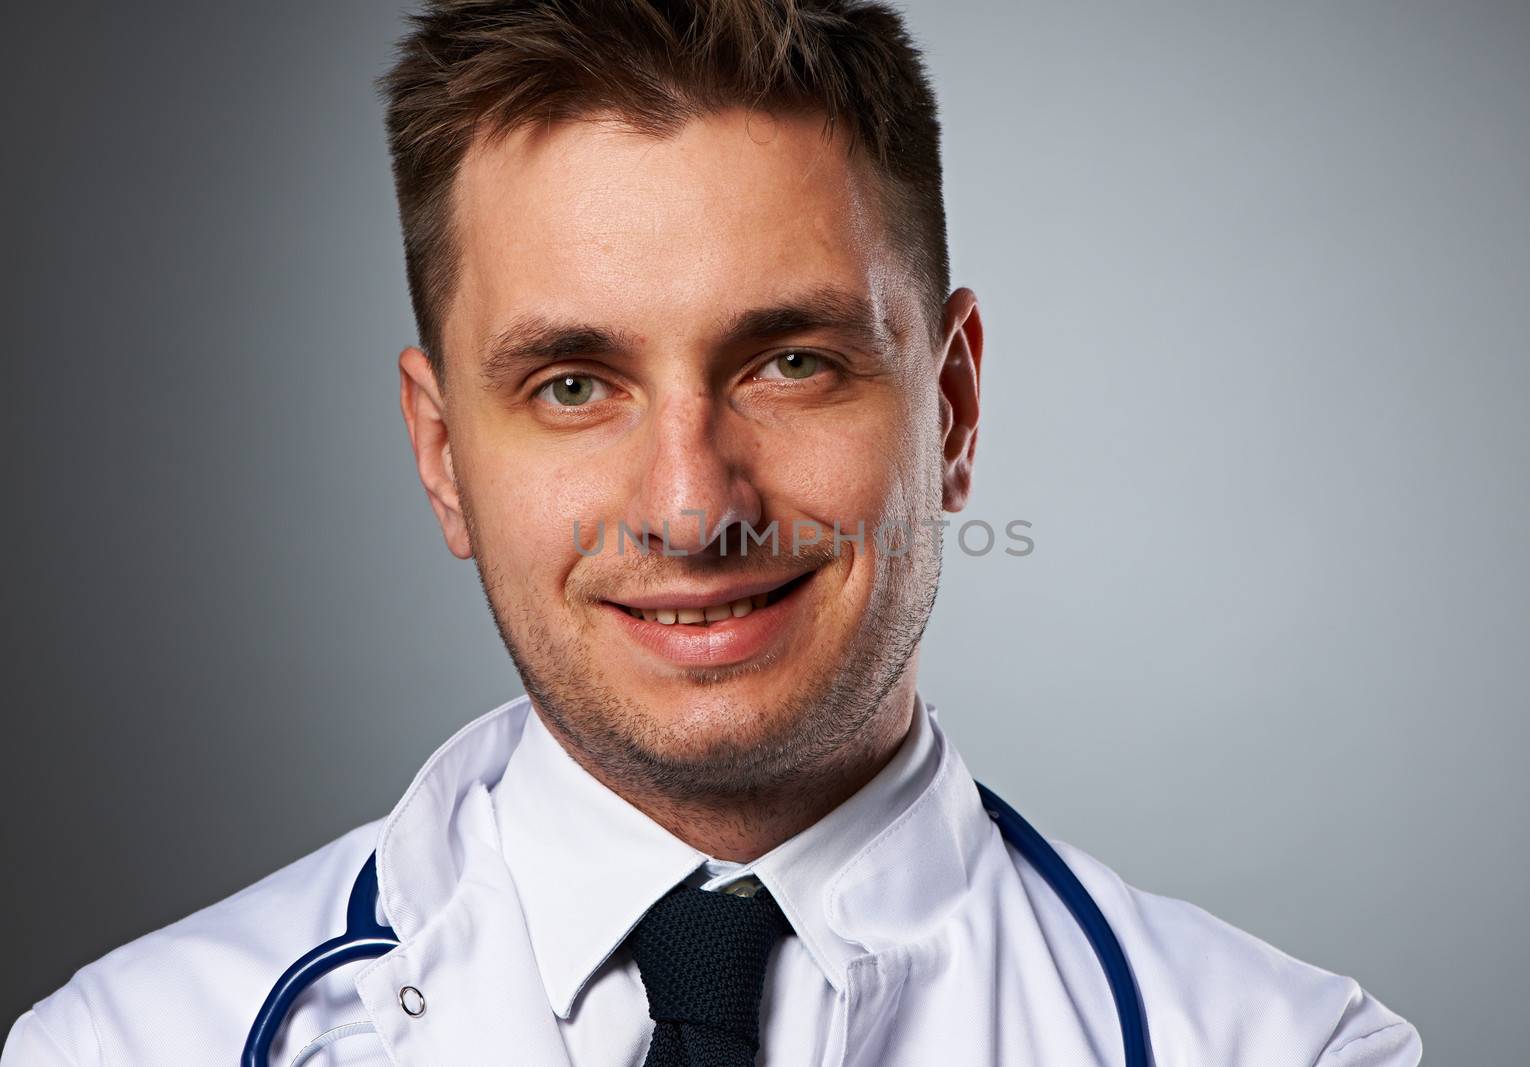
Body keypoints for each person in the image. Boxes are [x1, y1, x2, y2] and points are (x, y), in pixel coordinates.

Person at [3, 1, 1423, 1064]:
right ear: (442, 455)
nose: (694, 506)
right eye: (573, 384)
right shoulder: (121, 1049)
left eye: (791, 362)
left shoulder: (1287, 1050)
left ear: (956, 403)